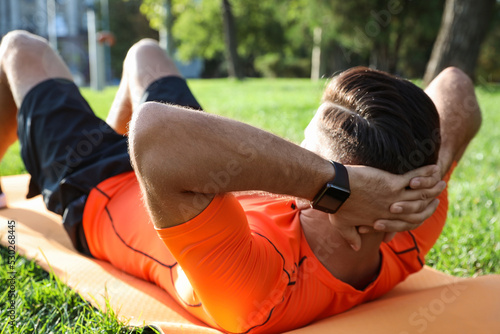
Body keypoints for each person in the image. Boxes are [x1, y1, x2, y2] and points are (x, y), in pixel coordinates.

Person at [0, 31, 481, 333]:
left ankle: (90, 143)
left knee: (21, 49)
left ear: (351, 203)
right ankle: (107, 132)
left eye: (310, 154)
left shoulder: (261, 288)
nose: (300, 158)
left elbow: (155, 134)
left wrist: (337, 186)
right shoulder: (410, 221)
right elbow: (456, 85)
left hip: (99, 187)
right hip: (191, 163)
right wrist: (424, 179)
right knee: (145, 52)